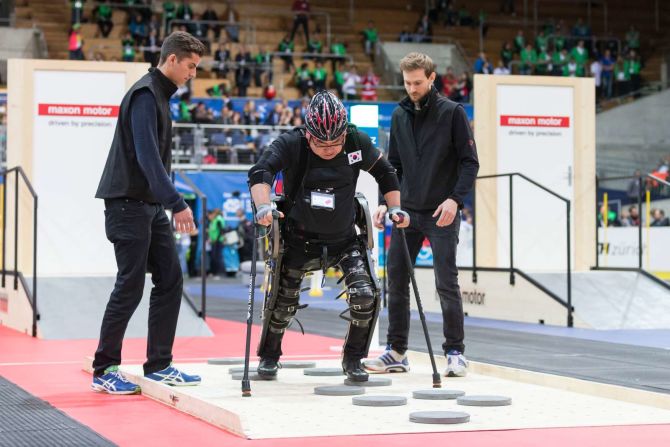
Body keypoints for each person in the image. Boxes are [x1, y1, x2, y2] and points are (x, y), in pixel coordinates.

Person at [248, 91, 409, 381]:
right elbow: (261, 172)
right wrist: (262, 206)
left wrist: (395, 207)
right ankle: (270, 356)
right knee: (282, 302)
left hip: (345, 238)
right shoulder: (291, 143)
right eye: (321, 142)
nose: (329, 148)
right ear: (308, 133)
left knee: (366, 295)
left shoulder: (356, 141)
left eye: (335, 141)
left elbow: (386, 173)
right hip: (298, 237)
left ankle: (353, 359)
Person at [92, 31, 206, 395]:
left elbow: (153, 162)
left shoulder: (160, 95)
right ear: (172, 59)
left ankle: (159, 364)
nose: (193, 73)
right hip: (127, 204)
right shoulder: (145, 94)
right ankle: (104, 368)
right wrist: (177, 203)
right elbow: (147, 157)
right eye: (190, 66)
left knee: (171, 278)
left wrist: (165, 203)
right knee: (130, 284)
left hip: (148, 205)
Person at [363, 52, 480, 377]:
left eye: (418, 82)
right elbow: (395, 167)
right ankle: (396, 352)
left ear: (431, 79)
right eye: (407, 83)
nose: (412, 88)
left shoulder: (453, 113)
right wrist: (388, 201)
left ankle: (455, 353)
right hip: (407, 211)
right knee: (396, 279)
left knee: (446, 281)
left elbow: (470, 162)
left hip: (442, 209)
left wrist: (456, 200)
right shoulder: (399, 115)